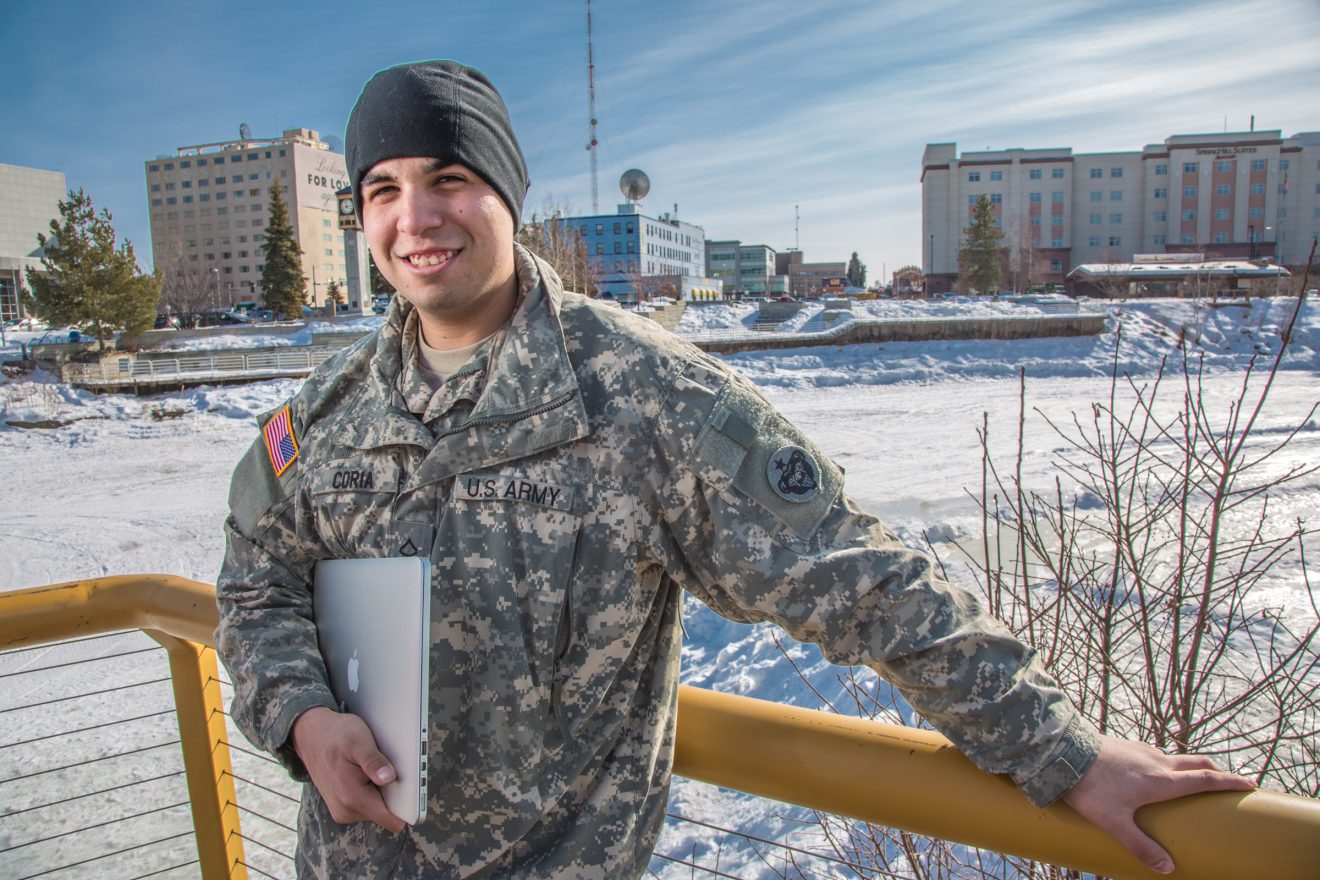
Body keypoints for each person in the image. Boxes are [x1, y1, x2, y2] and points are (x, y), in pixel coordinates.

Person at [215, 60, 1251, 879]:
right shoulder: (328, 415)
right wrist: (300, 714)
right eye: (384, 190)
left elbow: (857, 575)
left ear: (506, 195)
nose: (415, 217)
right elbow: (256, 581)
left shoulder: (647, 397)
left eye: (449, 179)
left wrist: (1060, 751)